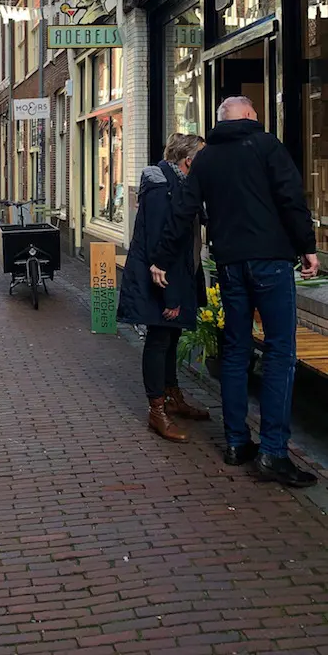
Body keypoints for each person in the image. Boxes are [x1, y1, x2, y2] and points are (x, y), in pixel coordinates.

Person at [151, 96, 319, 488]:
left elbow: (183, 211)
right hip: (271, 261)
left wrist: (161, 257)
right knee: (279, 353)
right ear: (247, 116)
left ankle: (236, 442)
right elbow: (291, 198)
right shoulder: (267, 146)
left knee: (235, 350)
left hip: (229, 265)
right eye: (255, 114)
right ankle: (273, 452)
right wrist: (307, 246)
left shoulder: (206, 158)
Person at [118, 133, 208, 443]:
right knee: (159, 339)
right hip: (164, 281)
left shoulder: (181, 185)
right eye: (203, 157)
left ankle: (172, 396)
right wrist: (171, 295)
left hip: (178, 277)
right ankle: (156, 410)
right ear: (189, 161)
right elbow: (159, 244)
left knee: (171, 336)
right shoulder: (162, 189)